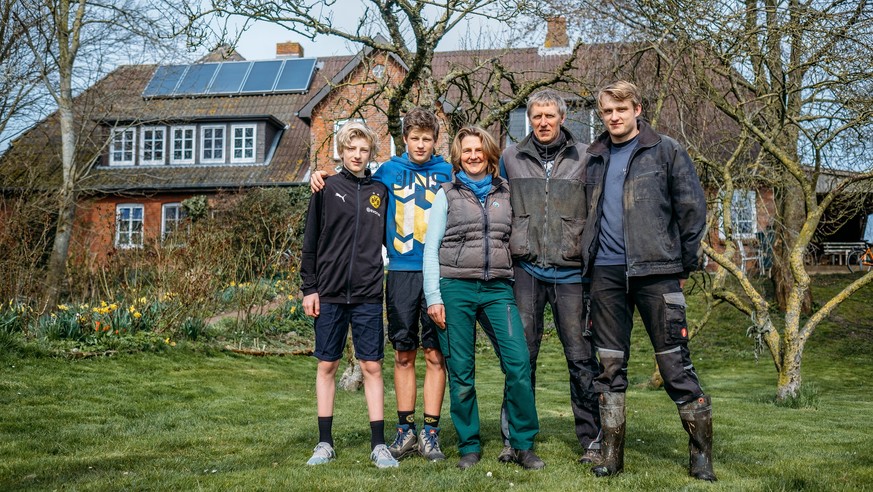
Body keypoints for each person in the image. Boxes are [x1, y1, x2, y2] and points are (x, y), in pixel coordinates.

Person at [579, 81, 715, 481]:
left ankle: (701, 456)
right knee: (609, 366)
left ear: (637, 108)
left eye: (621, 109)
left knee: (675, 364)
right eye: (607, 111)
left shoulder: (666, 150)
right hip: (605, 273)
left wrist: (683, 266)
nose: (614, 117)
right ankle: (610, 456)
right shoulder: (595, 156)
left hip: (657, 272)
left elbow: (692, 212)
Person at [310, 108, 452, 461]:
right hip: (401, 271)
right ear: (404, 140)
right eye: (414, 138)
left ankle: (431, 432)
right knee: (404, 353)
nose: (420, 145)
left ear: (436, 142)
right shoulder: (386, 172)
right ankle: (405, 431)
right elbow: (354, 185)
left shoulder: (448, 172)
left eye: (427, 139)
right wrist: (319, 176)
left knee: (436, 353)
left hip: (438, 271)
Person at [423, 125, 544, 471]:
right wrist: (434, 296)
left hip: (497, 289)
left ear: (489, 154)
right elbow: (430, 249)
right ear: (458, 158)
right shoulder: (446, 194)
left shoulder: (506, 192)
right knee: (461, 372)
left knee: (519, 363)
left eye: (478, 150)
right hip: (455, 287)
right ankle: (469, 445)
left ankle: (523, 444)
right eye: (466, 151)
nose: (472, 156)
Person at [497, 89, 602, 464]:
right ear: (530, 119)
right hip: (525, 269)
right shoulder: (510, 157)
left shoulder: (586, 157)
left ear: (562, 118)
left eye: (549, 116)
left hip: (571, 270)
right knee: (521, 358)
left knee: (580, 357)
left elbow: (597, 210)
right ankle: (515, 439)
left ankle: (592, 439)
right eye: (536, 116)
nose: (543, 122)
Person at [299, 121, 398, 469]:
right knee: (328, 364)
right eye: (351, 149)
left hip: (369, 293)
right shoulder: (325, 188)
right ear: (341, 151)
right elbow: (309, 243)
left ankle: (379, 445)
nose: (357, 155)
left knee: (372, 365)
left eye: (364, 150)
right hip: (328, 293)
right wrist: (309, 288)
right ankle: (324, 443)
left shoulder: (381, 192)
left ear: (371, 153)